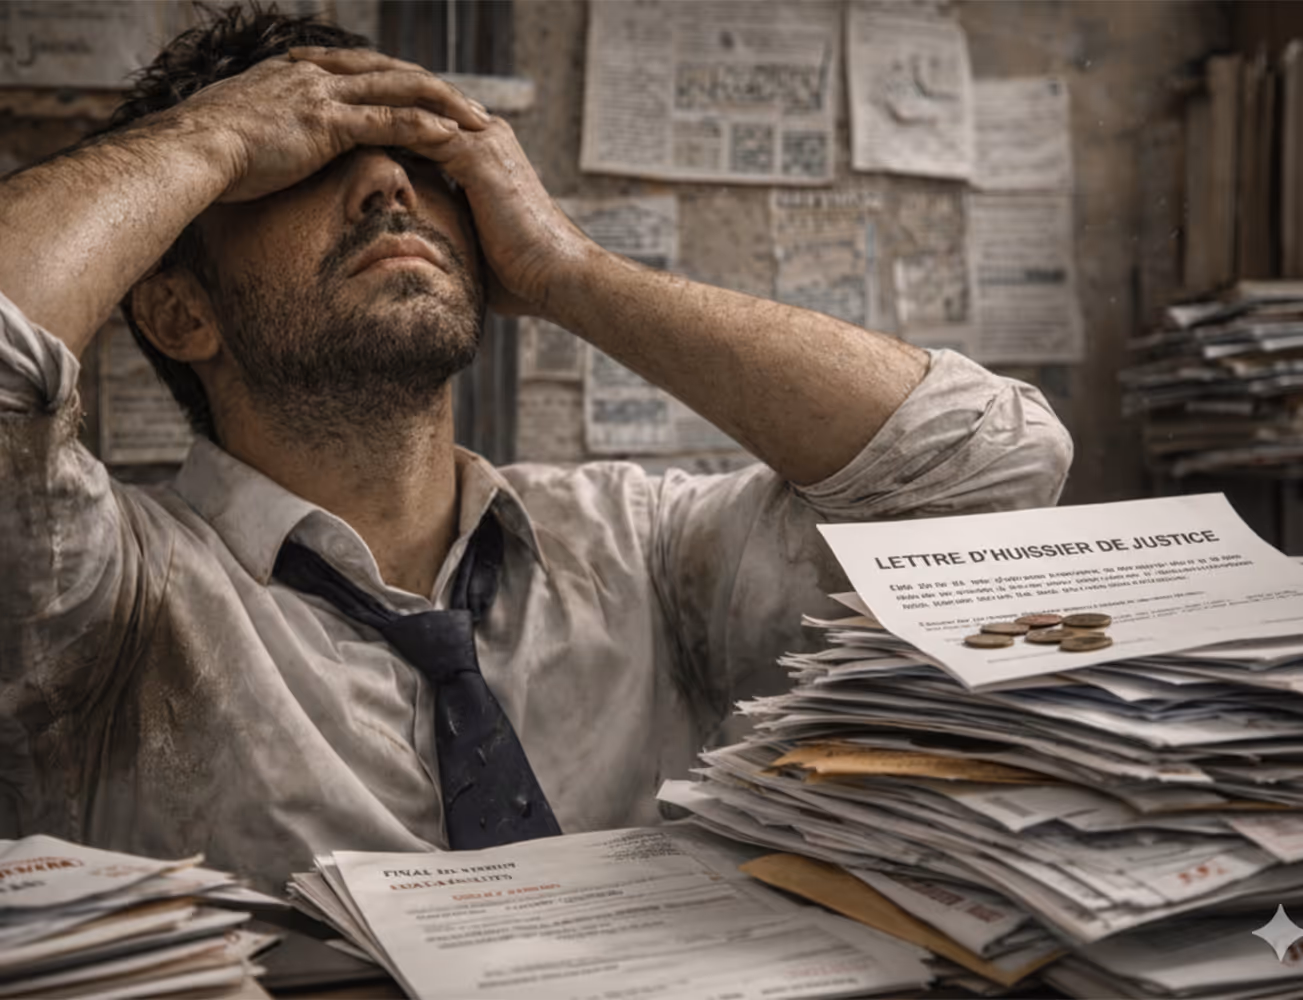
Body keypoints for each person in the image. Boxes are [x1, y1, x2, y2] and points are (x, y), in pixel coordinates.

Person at [0, 6, 1071, 892]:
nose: (389, 189)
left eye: (421, 163)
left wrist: (567, 269)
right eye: (303, 166)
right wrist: (211, 139)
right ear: (182, 313)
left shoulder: (635, 544)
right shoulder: (97, 601)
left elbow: (985, 469)